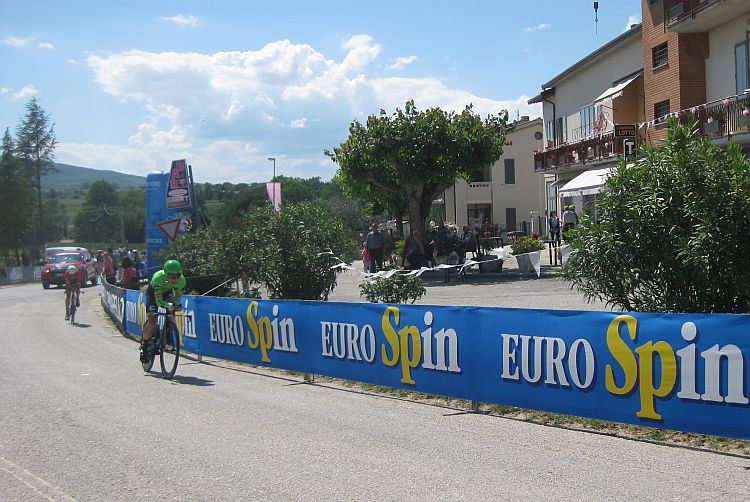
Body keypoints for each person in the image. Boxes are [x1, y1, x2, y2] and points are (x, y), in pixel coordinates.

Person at [140, 259, 186, 363]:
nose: (174, 280)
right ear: (166, 274)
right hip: (153, 294)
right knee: (152, 322)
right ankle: (145, 345)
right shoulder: (158, 278)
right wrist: (167, 305)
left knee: (172, 310)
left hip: (167, 292)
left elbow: (177, 298)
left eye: (177, 276)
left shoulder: (182, 281)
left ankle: (168, 332)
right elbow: (159, 301)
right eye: (171, 276)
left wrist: (176, 305)